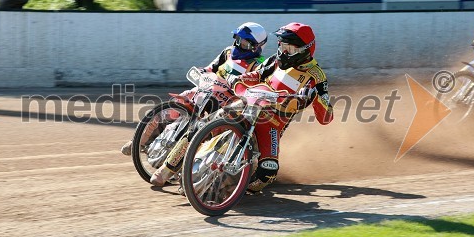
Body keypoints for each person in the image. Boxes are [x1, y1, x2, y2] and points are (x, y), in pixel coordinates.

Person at [120, 22, 268, 183]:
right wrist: (202, 72)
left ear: (256, 46)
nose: (239, 44)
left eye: (244, 42)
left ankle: (173, 169)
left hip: (226, 103)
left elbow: (250, 92)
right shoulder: (227, 52)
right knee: (175, 103)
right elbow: (210, 68)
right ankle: (138, 141)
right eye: (238, 39)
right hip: (206, 91)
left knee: (199, 132)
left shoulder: (258, 66)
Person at [226, 22, 334, 193]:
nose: (283, 52)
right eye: (281, 45)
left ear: (305, 50)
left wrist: (314, 97)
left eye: (289, 49)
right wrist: (239, 79)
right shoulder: (277, 60)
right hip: (251, 103)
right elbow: (258, 75)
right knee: (211, 118)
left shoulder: (317, 76)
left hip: (272, 123)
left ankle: (237, 190)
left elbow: (327, 117)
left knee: (267, 173)